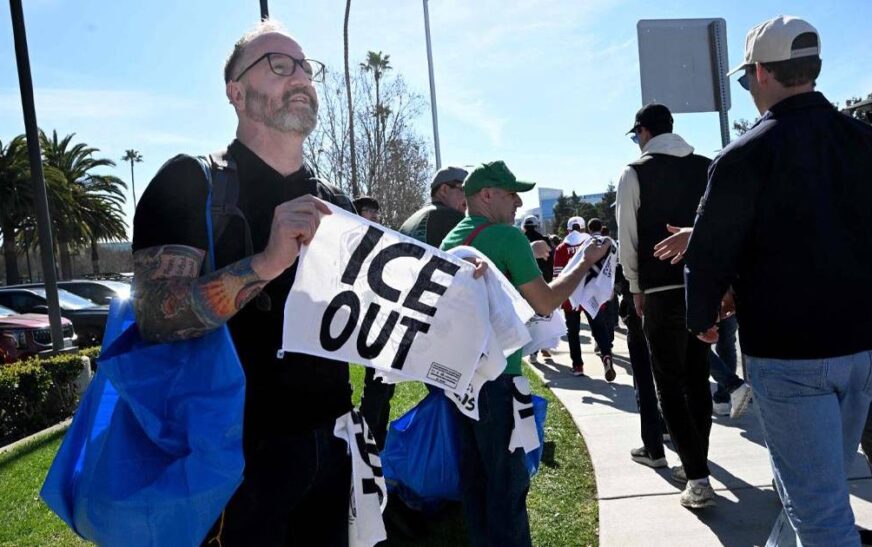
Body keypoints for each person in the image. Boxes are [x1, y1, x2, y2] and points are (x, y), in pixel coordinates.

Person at [132, 21, 355, 546]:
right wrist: (266, 263)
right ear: (236, 92)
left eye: (305, 66)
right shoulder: (190, 183)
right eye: (279, 64)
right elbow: (156, 317)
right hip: (230, 459)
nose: (300, 76)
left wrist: (457, 286)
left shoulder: (339, 205)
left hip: (334, 445)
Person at [685, 15, 872, 544]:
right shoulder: (863, 142)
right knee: (817, 492)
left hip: (790, 357)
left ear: (762, 73)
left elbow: (709, 250)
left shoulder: (745, 155)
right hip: (861, 349)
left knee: (819, 513)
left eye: (746, 81)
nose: (748, 90)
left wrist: (702, 317)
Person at [440, 161, 610, 547]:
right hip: (498, 380)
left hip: (456, 380)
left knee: (477, 486)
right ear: (486, 195)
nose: (519, 201)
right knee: (507, 490)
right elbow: (546, 302)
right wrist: (585, 261)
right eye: (511, 192)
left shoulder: (450, 241)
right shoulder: (506, 237)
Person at [615, 102, 715, 509]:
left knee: (669, 383)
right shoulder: (708, 166)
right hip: (702, 287)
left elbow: (629, 238)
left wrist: (634, 287)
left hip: (658, 292)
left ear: (642, 132)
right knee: (697, 378)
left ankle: (697, 476)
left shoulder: (634, 172)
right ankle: (697, 464)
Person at [653, 226, 752, 419]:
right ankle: (726, 396)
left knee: (695, 343)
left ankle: (731, 387)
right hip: (724, 282)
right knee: (723, 343)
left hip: (702, 285)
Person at [552, 216, 590, 375]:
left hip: (570, 293)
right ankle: (606, 353)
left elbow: (558, 274)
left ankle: (577, 365)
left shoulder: (561, 248)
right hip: (590, 292)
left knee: (573, 332)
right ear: (583, 229)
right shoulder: (590, 243)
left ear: (568, 230)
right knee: (599, 326)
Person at [582, 218, 617, 381]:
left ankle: (605, 353)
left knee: (597, 326)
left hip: (590, 292)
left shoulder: (586, 243)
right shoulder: (611, 243)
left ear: (589, 229)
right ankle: (607, 349)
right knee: (608, 322)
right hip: (608, 289)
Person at [399, 166, 468, 247]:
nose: (470, 197)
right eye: (464, 189)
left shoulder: (408, 222)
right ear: (444, 190)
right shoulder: (453, 218)